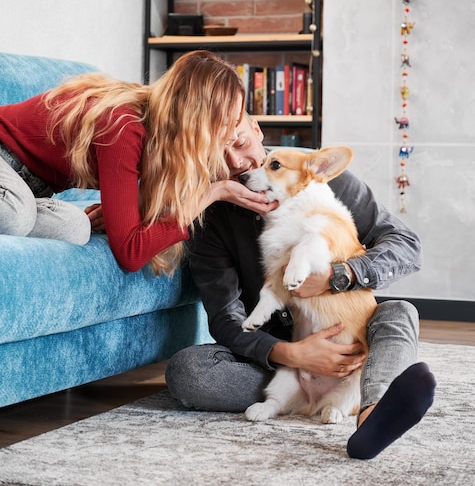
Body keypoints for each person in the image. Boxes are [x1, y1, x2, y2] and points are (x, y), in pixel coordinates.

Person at [165, 115, 436, 460]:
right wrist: (292, 354)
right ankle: (292, 399)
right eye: (218, 153)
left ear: (256, 129)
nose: (236, 161)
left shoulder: (320, 179)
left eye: (240, 141)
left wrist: (341, 275)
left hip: (347, 344)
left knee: (399, 313)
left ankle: (374, 411)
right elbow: (224, 316)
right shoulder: (210, 216)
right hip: (273, 356)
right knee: (188, 371)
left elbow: (406, 245)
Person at [0, 51, 273, 274]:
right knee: (16, 214)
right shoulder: (123, 126)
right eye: (222, 129)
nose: (228, 142)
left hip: (30, 189)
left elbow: (151, 212)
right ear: (194, 121)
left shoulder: (167, 143)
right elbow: (131, 253)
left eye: (234, 126)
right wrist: (217, 191)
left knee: (75, 227)